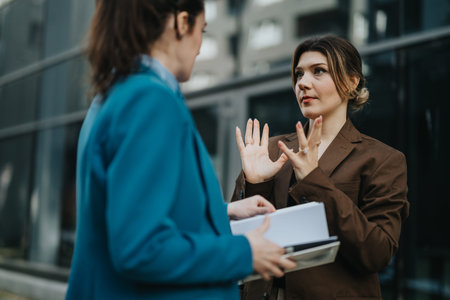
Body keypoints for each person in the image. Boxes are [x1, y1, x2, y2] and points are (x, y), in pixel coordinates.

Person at [65, 1, 296, 299]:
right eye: (202, 30)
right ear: (181, 22)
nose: (200, 46)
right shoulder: (150, 100)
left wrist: (224, 212)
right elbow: (141, 248)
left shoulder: (115, 94)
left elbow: (132, 209)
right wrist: (245, 252)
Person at [232, 35, 409, 300]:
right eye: (299, 74)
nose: (302, 83)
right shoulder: (271, 149)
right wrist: (257, 184)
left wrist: (315, 180)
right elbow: (232, 242)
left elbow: (377, 253)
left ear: (352, 81)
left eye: (319, 71)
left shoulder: (382, 160)